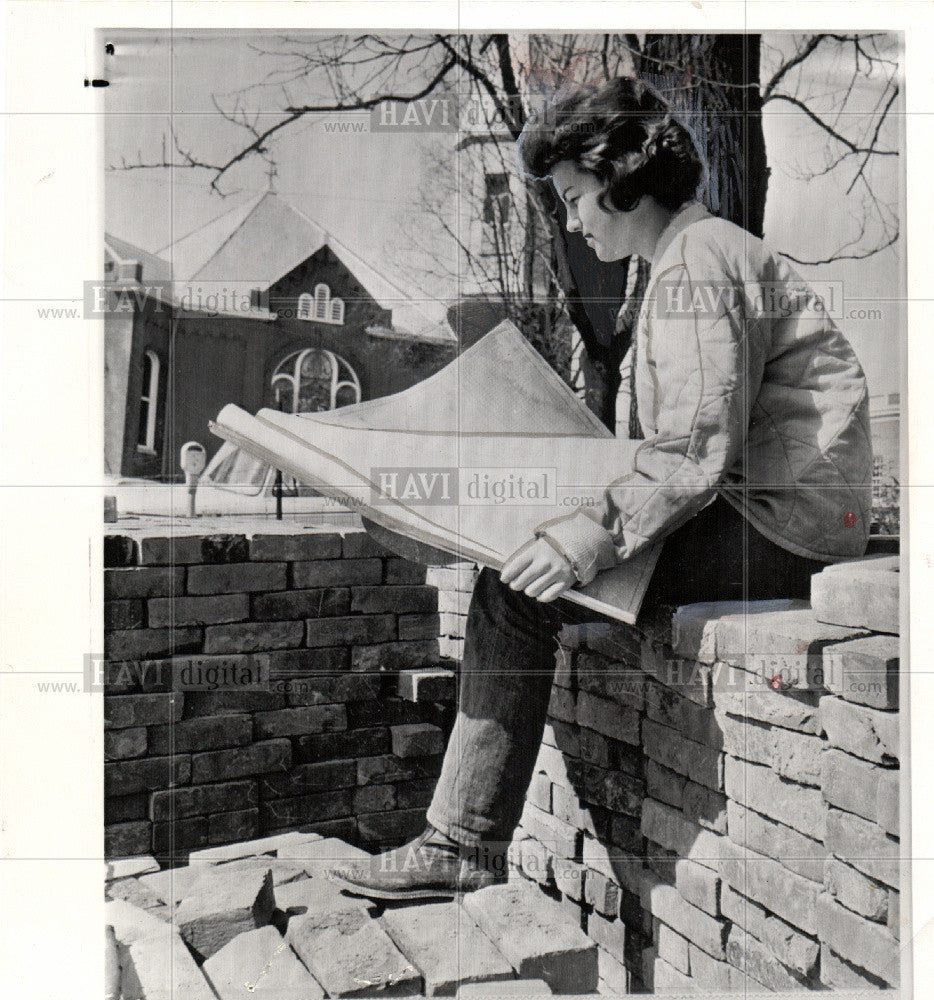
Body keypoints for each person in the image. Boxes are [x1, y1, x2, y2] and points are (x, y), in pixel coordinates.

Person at [330, 76, 873, 901]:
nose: (574, 220)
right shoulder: (683, 261)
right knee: (529, 560)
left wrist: (579, 541)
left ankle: (463, 843)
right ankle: (463, 836)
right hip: (771, 510)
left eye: (577, 198)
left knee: (517, 592)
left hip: (782, 526)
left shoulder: (698, 261)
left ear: (622, 178)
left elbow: (691, 450)